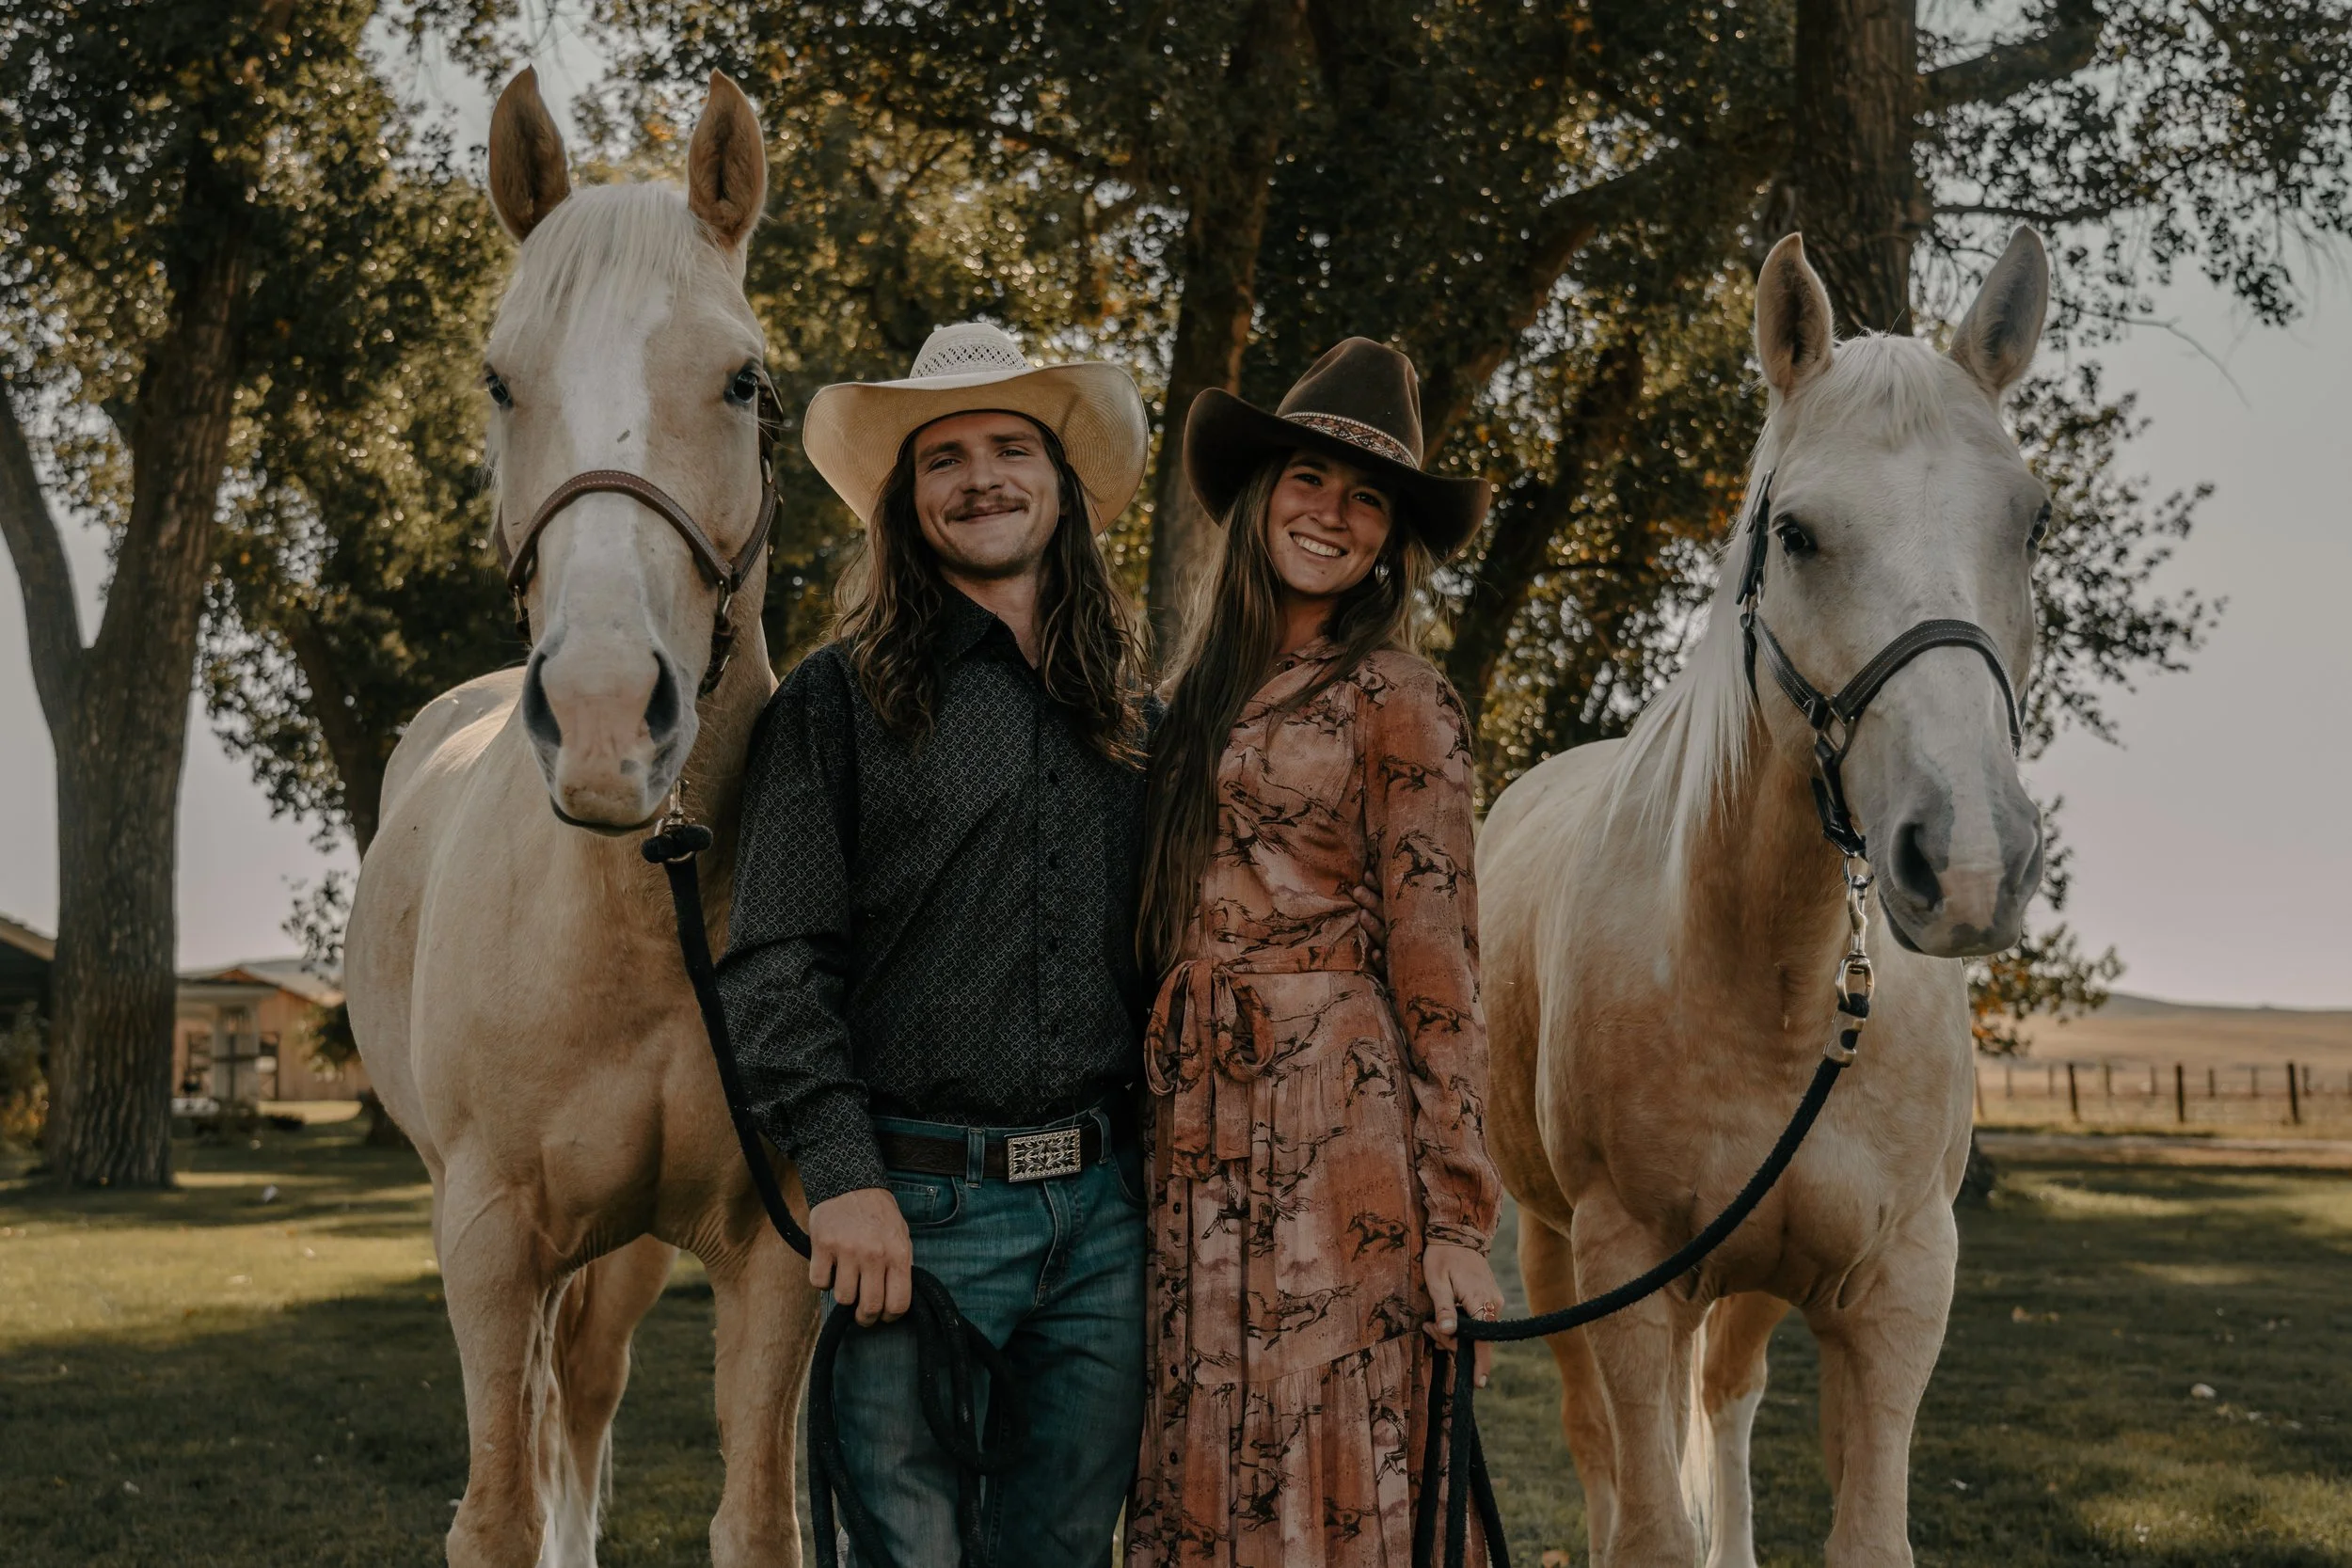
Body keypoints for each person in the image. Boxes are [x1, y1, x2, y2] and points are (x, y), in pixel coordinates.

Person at [717, 322, 1154, 1566]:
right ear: (906, 505)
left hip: (1105, 1221)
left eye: (1012, 446)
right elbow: (779, 963)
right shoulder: (837, 703)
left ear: (1063, 486)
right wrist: (846, 1175)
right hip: (911, 1207)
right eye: (943, 457)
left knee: (1066, 1552)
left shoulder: (1135, 715)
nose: (982, 477)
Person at [1126, 339, 1507, 1566]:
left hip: (1334, 1122)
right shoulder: (1183, 697)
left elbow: (1441, 964)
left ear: (1390, 540)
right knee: (1203, 1404)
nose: (1332, 515)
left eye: (1367, 499)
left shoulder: (1399, 696)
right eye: (1308, 478)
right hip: (1191, 1119)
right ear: (1260, 495)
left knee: (1322, 1425)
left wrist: (1458, 1219)